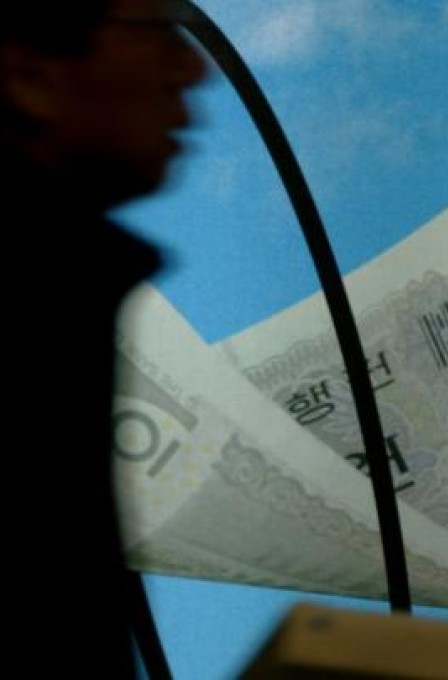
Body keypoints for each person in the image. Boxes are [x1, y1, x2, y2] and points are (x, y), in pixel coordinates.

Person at [2, 0, 207, 674]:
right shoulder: (40, 294)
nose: (193, 67)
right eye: (159, 34)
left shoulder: (65, 280)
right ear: (30, 75)